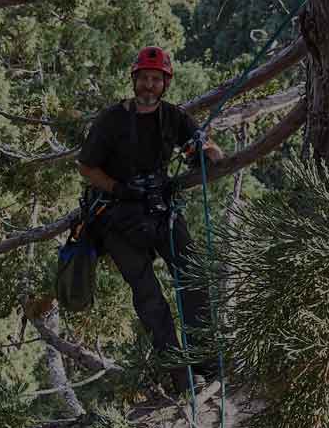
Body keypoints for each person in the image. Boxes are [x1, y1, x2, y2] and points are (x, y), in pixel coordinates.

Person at [75, 45, 222, 397]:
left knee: (193, 275)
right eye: (144, 79)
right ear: (134, 80)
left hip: (158, 209)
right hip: (117, 218)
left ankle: (204, 360)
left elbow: (200, 148)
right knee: (149, 297)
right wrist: (117, 188)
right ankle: (179, 374)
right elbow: (86, 166)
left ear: (165, 84)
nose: (149, 86)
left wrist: (211, 156)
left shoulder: (173, 118)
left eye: (156, 80)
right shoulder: (111, 120)